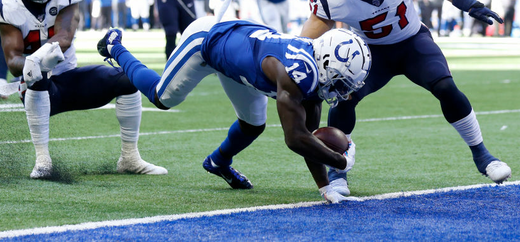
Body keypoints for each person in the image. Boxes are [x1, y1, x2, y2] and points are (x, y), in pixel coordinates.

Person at [300, 0, 511, 196]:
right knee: (343, 98)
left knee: (446, 87)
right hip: (369, 53)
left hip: (412, 42)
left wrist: (465, 2)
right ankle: (337, 172)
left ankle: (483, 155)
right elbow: (305, 43)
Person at [97, 11, 370, 204]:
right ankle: (115, 46)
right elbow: (295, 138)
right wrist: (340, 161)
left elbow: (307, 136)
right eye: (341, 82)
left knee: (253, 124)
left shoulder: (314, 71)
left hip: (239, 53)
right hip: (207, 40)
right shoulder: (295, 75)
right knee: (162, 98)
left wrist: (325, 188)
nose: (343, 91)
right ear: (326, 64)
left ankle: (217, 162)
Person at [0, 0, 167, 179]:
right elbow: (13, 60)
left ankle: (130, 158)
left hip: (69, 78)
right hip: (37, 88)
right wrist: (31, 64)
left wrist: (35, 57)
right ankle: (43, 161)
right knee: (36, 74)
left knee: (127, 79)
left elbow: (64, 37)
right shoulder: (6, 5)